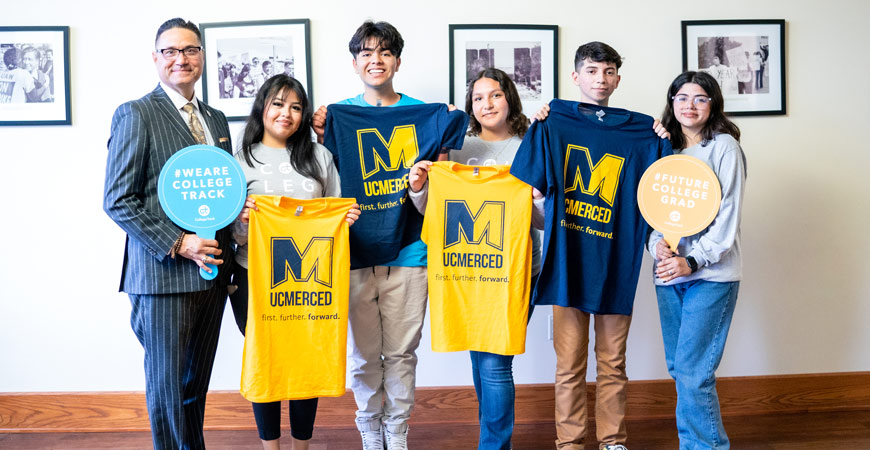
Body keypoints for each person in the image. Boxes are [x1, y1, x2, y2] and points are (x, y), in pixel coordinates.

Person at [521, 41, 672, 450]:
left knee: (613, 364)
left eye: (607, 72)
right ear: (576, 77)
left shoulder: (645, 132)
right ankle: (569, 443)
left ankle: (612, 441)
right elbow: (528, 189)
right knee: (568, 366)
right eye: (591, 71)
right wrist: (540, 124)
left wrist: (662, 135)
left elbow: (664, 192)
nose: (600, 79)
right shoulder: (552, 121)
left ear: (617, 79)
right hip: (567, 263)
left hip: (614, 263)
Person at [103, 18, 234, 450]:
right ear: (156, 59)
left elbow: (222, 195)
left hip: (212, 277)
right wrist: (179, 243)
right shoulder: (136, 113)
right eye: (170, 51)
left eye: (191, 50)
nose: (181, 58)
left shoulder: (215, 119)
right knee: (166, 390)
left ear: (202, 56)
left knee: (194, 387)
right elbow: (118, 199)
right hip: (162, 278)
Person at [311, 20, 442, 450]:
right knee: (364, 355)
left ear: (398, 61)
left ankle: (397, 429)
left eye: (385, 52)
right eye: (366, 53)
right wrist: (319, 134)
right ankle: (369, 428)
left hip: (410, 249)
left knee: (402, 353)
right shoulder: (335, 116)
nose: (376, 60)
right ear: (355, 64)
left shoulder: (426, 114)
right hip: (354, 252)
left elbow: (439, 185)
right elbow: (323, 180)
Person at [406, 68, 542, 450]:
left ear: (509, 98)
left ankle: (493, 445)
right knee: (480, 359)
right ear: (470, 106)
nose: (487, 104)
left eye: (495, 95)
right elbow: (434, 208)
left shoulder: (531, 144)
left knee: (496, 362)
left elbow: (546, 219)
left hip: (516, 269)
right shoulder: (459, 149)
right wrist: (419, 186)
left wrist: (535, 199)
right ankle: (494, 440)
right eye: (478, 98)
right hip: (465, 270)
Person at [229, 74, 360, 450]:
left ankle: (301, 446)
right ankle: (270, 447)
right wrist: (243, 220)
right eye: (278, 104)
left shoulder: (319, 156)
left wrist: (345, 218)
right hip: (252, 275)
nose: (286, 114)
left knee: (306, 357)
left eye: (296, 107)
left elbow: (337, 207)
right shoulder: (240, 161)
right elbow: (231, 231)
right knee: (266, 358)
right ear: (262, 108)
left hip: (313, 277)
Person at [648, 70, 746, 450]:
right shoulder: (663, 149)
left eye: (700, 98)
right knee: (681, 370)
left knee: (694, 372)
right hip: (667, 273)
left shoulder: (724, 148)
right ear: (672, 103)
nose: (690, 105)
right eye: (682, 97)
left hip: (711, 275)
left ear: (713, 104)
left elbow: (729, 214)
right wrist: (657, 246)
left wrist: (693, 261)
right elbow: (652, 209)